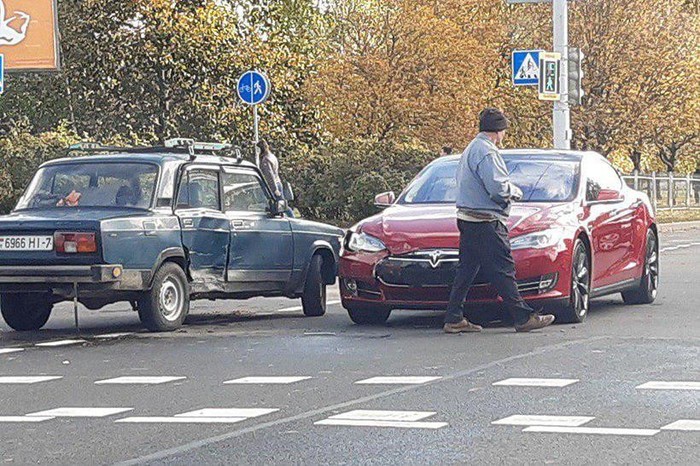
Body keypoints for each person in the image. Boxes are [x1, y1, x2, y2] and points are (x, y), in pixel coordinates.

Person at [443, 108, 555, 334]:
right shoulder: (487, 152)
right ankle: (523, 317)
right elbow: (496, 188)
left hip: (467, 218)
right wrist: (514, 191)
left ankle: (454, 317)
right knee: (503, 268)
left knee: (466, 271)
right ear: (499, 130)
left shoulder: (471, 148)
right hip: (486, 220)